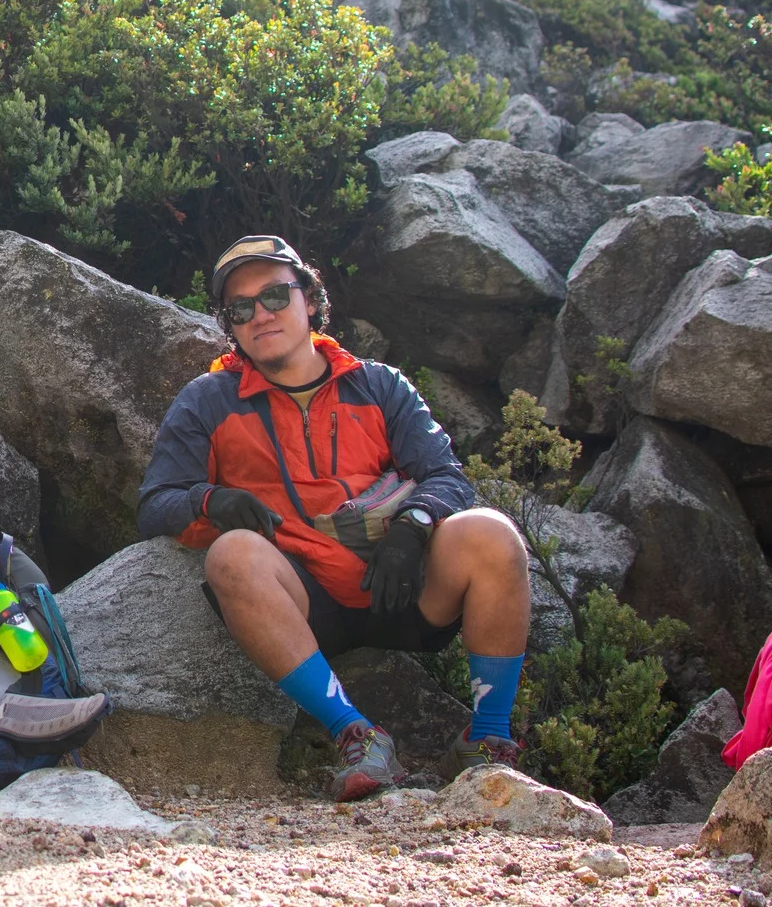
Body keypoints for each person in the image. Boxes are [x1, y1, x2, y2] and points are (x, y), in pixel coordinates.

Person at [138, 235, 532, 802]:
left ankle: (487, 740)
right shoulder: (207, 400)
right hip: (304, 603)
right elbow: (155, 505)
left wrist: (415, 526)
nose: (261, 315)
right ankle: (356, 736)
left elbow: (448, 477)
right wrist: (209, 500)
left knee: (492, 534)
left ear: (310, 299)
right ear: (230, 325)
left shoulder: (378, 384)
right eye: (240, 309)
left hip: (403, 588)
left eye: (275, 295)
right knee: (232, 554)